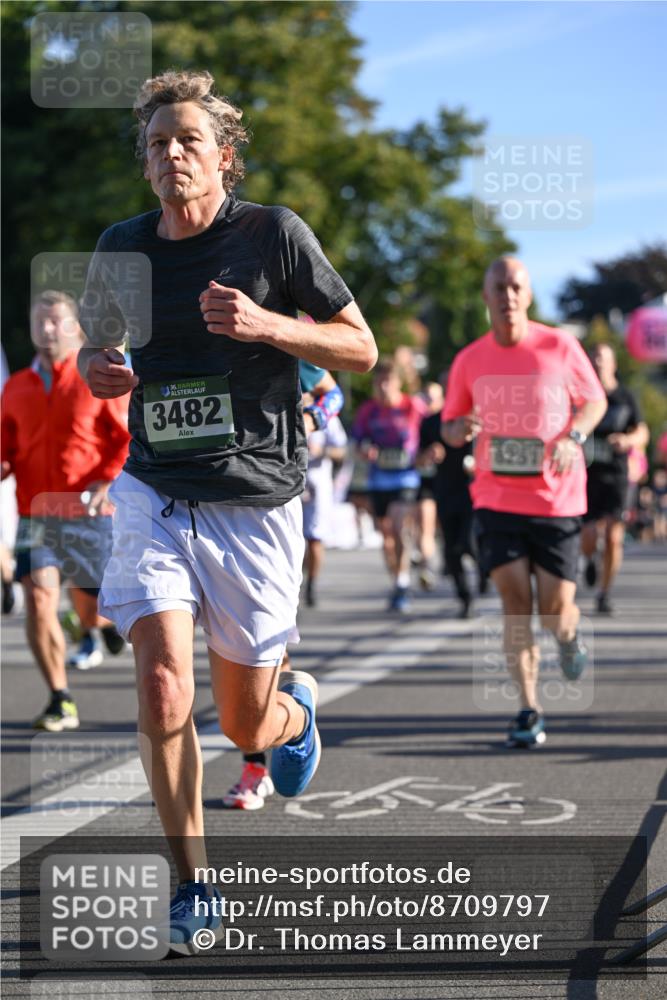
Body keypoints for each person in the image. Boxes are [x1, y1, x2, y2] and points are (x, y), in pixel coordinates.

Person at [77, 70, 377, 952]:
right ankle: (194, 885)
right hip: (154, 489)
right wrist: (104, 371)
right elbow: (102, 349)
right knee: (164, 679)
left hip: (254, 501)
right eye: (158, 143)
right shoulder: (121, 247)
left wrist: (269, 327)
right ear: (145, 162)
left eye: (189, 141)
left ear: (224, 157)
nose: (172, 153)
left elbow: (358, 346)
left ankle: (293, 710)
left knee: (245, 721)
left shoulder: (273, 236)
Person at [443, 257, 607, 748]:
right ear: (487, 296)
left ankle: (568, 637)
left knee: (557, 610)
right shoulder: (470, 359)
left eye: (516, 286)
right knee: (516, 604)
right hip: (496, 498)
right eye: (499, 287)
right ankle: (529, 708)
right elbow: (451, 426)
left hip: (557, 499)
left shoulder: (559, 345)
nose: (508, 295)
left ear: (528, 295)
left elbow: (593, 400)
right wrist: (459, 429)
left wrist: (573, 436)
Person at [0, 291, 130, 732]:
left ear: (76, 328)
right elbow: (6, 448)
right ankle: (60, 696)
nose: (47, 329)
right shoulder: (16, 386)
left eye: (56, 321)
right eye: (40, 321)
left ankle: (102, 624)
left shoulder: (100, 378)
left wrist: (107, 478)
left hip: (90, 514)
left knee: (93, 610)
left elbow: (127, 439)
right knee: (38, 601)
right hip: (35, 515)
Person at [222, 361, 345, 811]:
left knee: (257, 642)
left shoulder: (274, 324)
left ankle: (259, 761)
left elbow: (333, 395)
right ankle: (172, 765)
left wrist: (310, 419)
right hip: (187, 500)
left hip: (263, 504)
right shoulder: (173, 315)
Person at [351, 358, 427, 613]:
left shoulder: (412, 407)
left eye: (388, 381)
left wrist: (428, 453)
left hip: (405, 478)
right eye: (379, 381)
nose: (383, 386)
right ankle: (396, 580)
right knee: (386, 538)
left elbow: (429, 432)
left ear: (397, 383)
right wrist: (365, 450)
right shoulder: (368, 410)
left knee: (397, 526)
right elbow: (358, 441)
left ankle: (403, 583)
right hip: (378, 479)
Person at [580, 343, 649, 614]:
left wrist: (628, 439)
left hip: (616, 473)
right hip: (586, 472)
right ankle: (588, 559)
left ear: (613, 365)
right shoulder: (581, 396)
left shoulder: (625, 397)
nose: (598, 363)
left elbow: (642, 431)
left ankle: (604, 593)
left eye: (602, 359)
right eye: (593, 358)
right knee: (588, 534)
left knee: (612, 536)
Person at [419, 371, 481, 618]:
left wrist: (479, 462)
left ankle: (484, 572)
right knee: (452, 550)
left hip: (473, 491)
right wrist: (429, 454)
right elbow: (419, 461)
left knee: (469, 543)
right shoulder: (431, 422)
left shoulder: (474, 420)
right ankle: (465, 597)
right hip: (444, 490)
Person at [414, 381, 444, 591]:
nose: (428, 402)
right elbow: (413, 456)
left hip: (451, 484)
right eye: (425, 397)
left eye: (432, 397)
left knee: (444, 529)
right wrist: (426, 456)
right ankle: (427, 568)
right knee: (425, 525)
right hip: (426, 482)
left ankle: (446, 557)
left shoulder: (451, 420)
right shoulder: (419, 422)